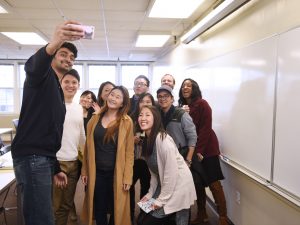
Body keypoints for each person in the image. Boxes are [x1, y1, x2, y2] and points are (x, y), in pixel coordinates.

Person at [11, 21, 84, 225]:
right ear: (52, 56)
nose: (68, 59)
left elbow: (50, 131)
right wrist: (55, 42)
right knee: (41, 219)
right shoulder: (42, 77)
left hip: (43, 158)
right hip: (33, 157)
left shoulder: (57, 89)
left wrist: (55, 168)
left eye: (72, 58)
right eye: (63, 54)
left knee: (44, 216)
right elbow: (33, 67)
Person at [81, 86, 134, 225]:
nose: (113, 98)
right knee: (99, 207)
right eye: (112, 95)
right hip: (96, 172)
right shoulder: (95, 118)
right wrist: (85, 169)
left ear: (122, 103)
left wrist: (128, 177)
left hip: (117, 172)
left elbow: (129, 152)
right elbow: (87, 147)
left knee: (117, 208)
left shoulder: (126, 121)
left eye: (118, 97)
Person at [179, 78, 228, 225]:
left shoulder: (202, 104)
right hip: (192, 149)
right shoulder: (182, 106)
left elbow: (206, 128)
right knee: (198, 182)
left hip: (207, 149)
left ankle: (223, 218)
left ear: (195, 89)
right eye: (183, 86)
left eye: (189, 85)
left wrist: (199, 151)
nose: (185, 88)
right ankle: (202, 215)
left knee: (214, 184)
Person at [137, 105, 196, 225]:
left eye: (147, 115)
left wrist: (160, 201)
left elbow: (171, 174)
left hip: (179, 185)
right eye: (140, 115)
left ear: (156, 119)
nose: (143, 118)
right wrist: (150, 194)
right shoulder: (147, 141)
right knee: (142, 215)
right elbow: (154, 174)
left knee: (150, 222)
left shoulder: (163, 139)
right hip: (164, 184)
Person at [53, 69, 86, 225]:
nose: (70, 85)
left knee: (67, 204)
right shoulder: (52, 104)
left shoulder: (79, 108)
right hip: (56, 162)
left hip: (73, 163)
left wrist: (86, 161)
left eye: (74, 82)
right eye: (67, 81)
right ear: (60, 83)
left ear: (78, 85)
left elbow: (81, 136)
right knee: (55, 206)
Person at [156, 85, 197, 166]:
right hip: (163, 156)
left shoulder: (181, 114)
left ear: (172, 99)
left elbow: (192, 138)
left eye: (166, 96)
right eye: (160, 96)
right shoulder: (157, 115)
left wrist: (188, 160)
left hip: (181, 155)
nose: (162, 99)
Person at [130, 93, 154, 223]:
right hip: (133, 160)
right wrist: (131, 139)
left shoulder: (155, 120)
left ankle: (145, 216)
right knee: (129, 188)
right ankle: (130, 213)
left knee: (148, 189)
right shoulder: (131, 119)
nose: (145, 103)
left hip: (148, 161)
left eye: (148, 101)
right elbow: (122, 140)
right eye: (142, 101)